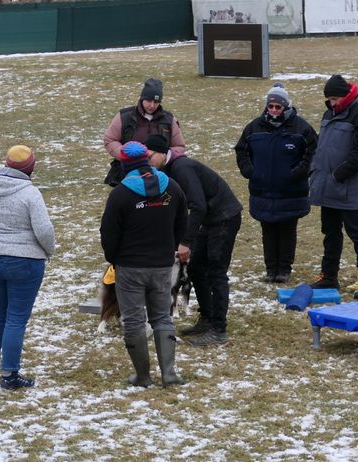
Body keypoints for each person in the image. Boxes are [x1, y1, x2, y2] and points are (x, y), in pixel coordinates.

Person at [0, 145, 55, 390]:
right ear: (30, 169)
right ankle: (10, 374)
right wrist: (48, 250)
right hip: (24, 261)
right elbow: (44, 230)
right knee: (16, 318)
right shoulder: (30, 194)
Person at [100, 141, 187, 388]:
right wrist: (170, 246)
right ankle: (169, 374)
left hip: (129, 266)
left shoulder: (120, 194)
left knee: (135, 320)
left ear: (124, 163)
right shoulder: (172, 186)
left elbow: (109, 233)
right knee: (162, 317)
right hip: (161, 264)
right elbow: (182, 223)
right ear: (148, 159)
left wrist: (114, 258)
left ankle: (143, 376)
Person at [145, 134, 243, 347]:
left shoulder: (182, 168)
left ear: (162, 153)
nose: (148, 161)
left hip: (224, 218)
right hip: (209, 220)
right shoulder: (167, 170)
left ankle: (219, 330)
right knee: (197, 269)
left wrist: (186, 242)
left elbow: (197, 205)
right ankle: (207, 318)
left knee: (216, 272)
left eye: (150, 156)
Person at [234, 83, 318, 284]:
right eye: (270, 106)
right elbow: (241, 149)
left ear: (286, 107)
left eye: (277, 107)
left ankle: (284, 269)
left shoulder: (301, 128)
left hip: (291, 191)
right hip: (262, 191)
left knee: (287, 230)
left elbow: (313, 152)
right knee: (268, 231)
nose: (273, 110)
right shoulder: (254, 127)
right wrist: (249, 171)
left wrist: (299, 172)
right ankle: (270, 269)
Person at [308, 74, 358, 300]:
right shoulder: (329, 114)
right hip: (328, 187)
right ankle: (329, 275)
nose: (332, 103)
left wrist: (338, 175)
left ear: (346, 95)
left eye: (335, 98)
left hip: (349, 189)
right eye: (329, 99)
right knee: (330, 233)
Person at [101, 78, 187, 186]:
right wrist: (127, 154)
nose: (152, 105)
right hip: (127, 172)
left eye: (156, 102)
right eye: (149, 100)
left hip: (160, 174)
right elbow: (110, 139)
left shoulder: (169, 120)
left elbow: (179, 146)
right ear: (142, 98)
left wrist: (159, 158)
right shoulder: (124, 116)